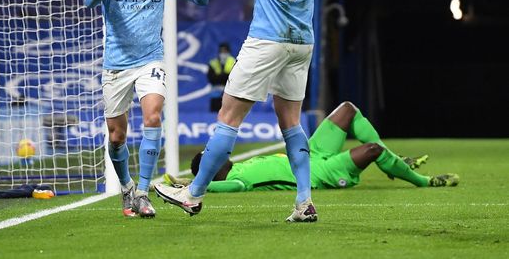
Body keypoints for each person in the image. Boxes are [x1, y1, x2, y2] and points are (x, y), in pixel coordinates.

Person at [155, 0, 333, 222]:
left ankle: (193, 193)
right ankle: (303, 202)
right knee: (292, 124)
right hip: (302, 44)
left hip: (266, 40)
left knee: (228, 117)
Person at [84, 0, 209, 218]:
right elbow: (89, 1)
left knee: (153, 116)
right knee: (116, 136)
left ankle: (142, 191)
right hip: (116, 65)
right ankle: (126, 187)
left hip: (150, 60)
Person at [164, 101, 459, 192]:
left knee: (346, 110)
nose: (217, 153)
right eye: (211, 157)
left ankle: (395, 160)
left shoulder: (239, 165)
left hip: (311, 155)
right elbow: (220, 189)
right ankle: (423, 181)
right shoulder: (235, 181)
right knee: (372, 151)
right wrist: (187, 185)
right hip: (321, 173)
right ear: (211, 172)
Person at [207, 42, 236, 112]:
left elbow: (235, 78)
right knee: (214, 119)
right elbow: (211, 79)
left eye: (225, 51)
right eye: (221, 51)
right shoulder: (213, 63)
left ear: (229, 52)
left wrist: (219, 77)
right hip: (215, 97)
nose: (223, 53)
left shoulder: (234, 62)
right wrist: (226, 76)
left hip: (230, 97)